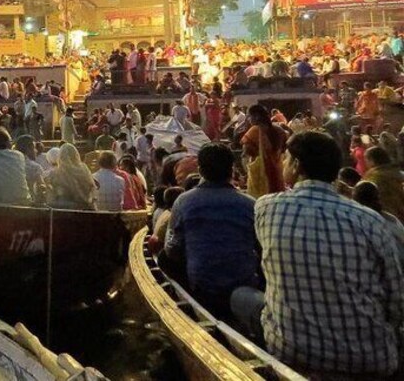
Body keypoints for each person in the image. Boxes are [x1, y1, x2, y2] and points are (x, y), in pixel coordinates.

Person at [232, 131, 404, 378]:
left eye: (285, 158)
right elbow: (396, 299)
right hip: (370, 357)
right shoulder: (371, 220)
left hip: (294, 351)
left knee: (240, 295)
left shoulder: (266, 208)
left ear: (296, 165)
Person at [163, 143, 259, 318]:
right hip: (244, 283)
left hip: (202, 286)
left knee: (163, 257)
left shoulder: (183, 202)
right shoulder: (250, 204)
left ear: (200, 170)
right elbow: (260, 248)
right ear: (232, 170)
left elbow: (172, 250)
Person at [241, 104, 287, 196]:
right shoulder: (279, 130)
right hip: (278, 173)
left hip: (260, 176)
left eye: (249, 116)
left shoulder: (254, 131)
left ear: (256, 116)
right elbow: (284, 148)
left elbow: (245, 154)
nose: (248, 120)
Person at [46, 143, 96, 209]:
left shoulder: (54, 173)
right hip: (84, 209)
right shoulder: (84, 170)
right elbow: (91, 188)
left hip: (63, 212)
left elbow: (50, 199)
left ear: (60, 157)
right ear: (76, 155)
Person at [362, 146, 404, 223]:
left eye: (366, 160)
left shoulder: (373, 178)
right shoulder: (398, 173)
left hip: (388, 219)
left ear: (372, 160)